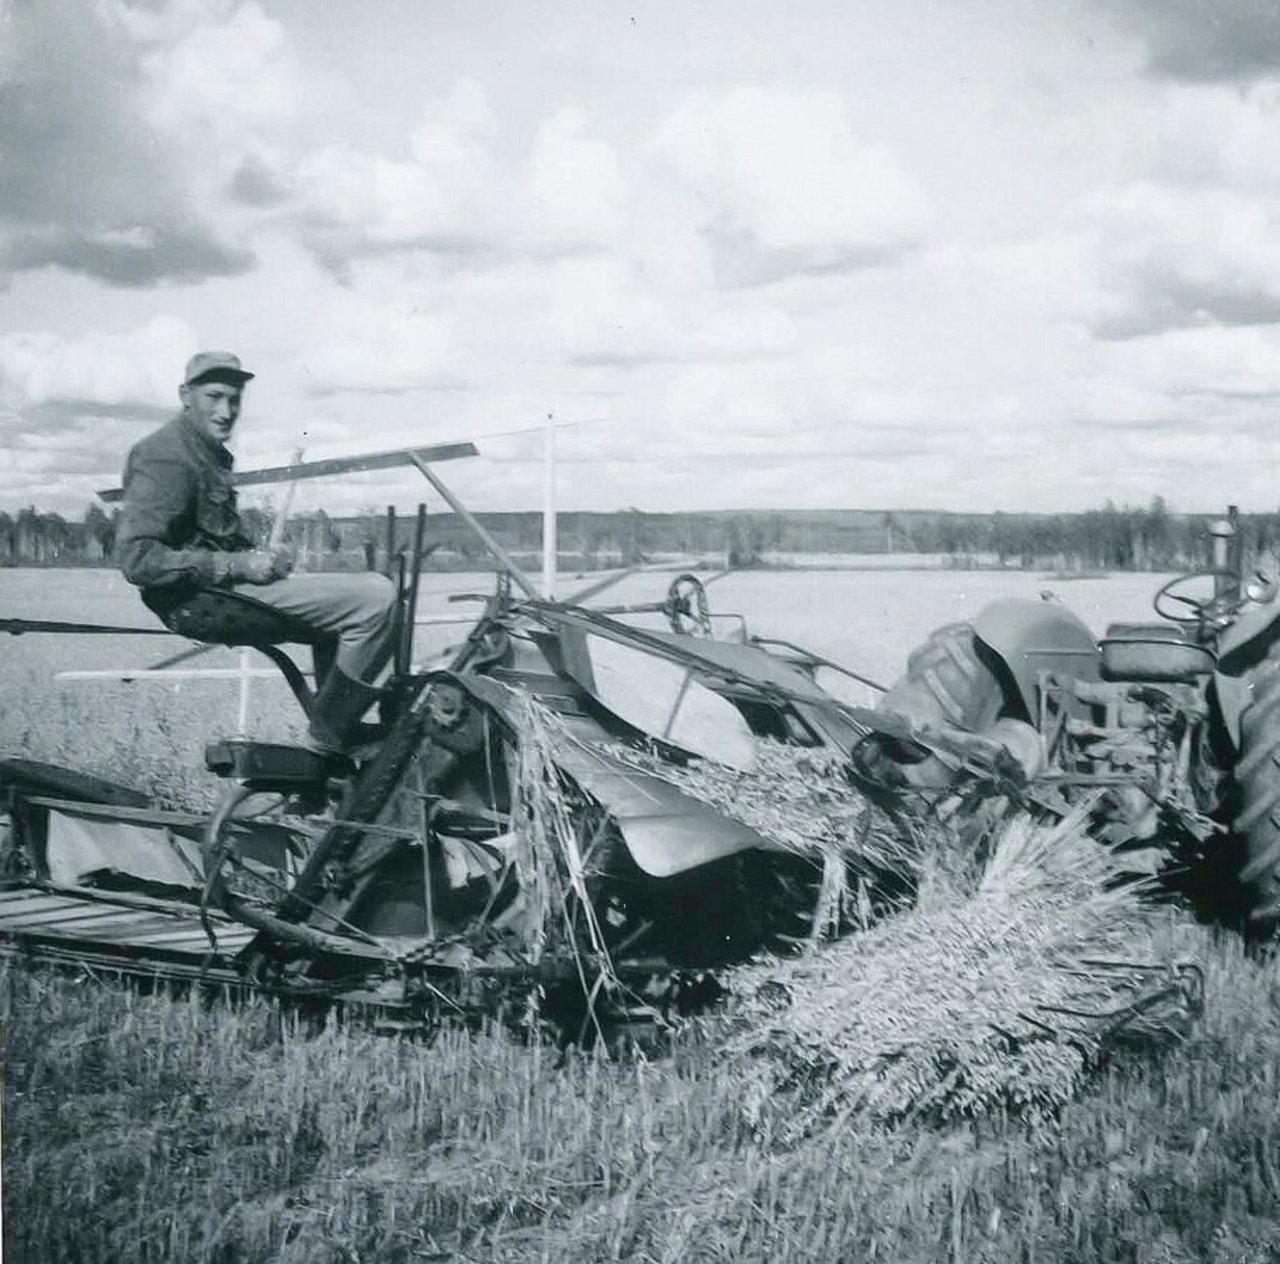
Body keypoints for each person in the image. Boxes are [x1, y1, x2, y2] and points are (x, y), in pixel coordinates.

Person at [115, 350, 398, 753]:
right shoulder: (165, 455)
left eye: (235, 400)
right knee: (377, 599)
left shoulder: (208, 453)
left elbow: (214, 538)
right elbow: (138, 559)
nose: (226, 410)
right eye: (214, 396)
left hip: (218, 590)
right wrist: (240, 563)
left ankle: (337, 737)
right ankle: (330, 739)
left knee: (358, 595)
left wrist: (261, 556)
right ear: (185, 395)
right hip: (199, 599)